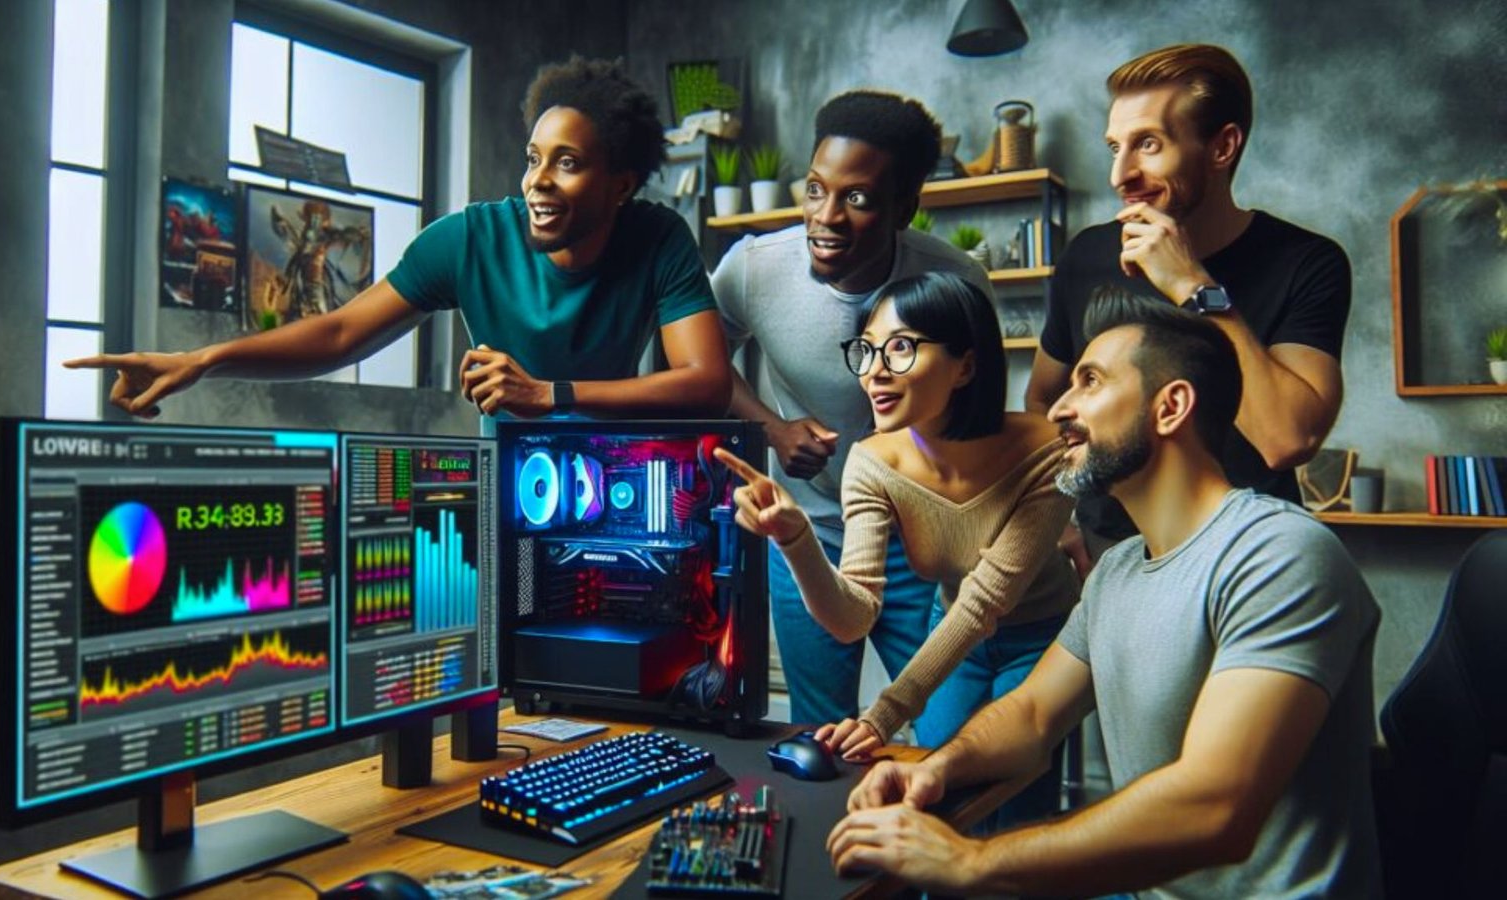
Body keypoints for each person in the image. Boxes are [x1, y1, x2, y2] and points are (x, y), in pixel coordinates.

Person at [830, 292, 1381, 898]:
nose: (1060, 407)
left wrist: (970, 860)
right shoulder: (1115, 572)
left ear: (1170, 407)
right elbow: (1033, 715)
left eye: (1089, 383)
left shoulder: (1278, 556)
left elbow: (1215, 809)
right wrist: (935, 768)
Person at [66, 56, 730, 422]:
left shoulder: (657, 237)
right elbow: (339, 333)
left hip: (623, 481)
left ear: (620, 184)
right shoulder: (468, 240)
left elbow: (705, 382)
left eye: (568, 163)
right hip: (510, 492)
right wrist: (204, 360)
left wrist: (547, 392)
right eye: (533, 158)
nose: (539, 182)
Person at [715, 271, 1078, 829]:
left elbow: (985, 602)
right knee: (935, 799)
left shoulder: (1045, 451)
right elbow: (853, 615)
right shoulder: (871, 461)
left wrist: (885, 713)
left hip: (1042, 638)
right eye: (867, 350)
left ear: (967, 366)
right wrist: (795, 537)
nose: (874, 370)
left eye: (902, 348)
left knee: (1015, 809)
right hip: (953, 630)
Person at [711, 90, 998, 748]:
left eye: (858, 199)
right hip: (808, 536)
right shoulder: (754, 270)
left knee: (951, 734)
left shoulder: (953, 280)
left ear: (905, 208)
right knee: (819, 736)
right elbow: (699, 363)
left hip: (921, 544)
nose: (826, 217)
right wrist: (772, 430)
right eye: (816, 190)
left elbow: (983, 420)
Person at [1024, 43, 1351, 559]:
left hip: (1244, 553)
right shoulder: (1087, 254)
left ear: (1222, 147)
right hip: (1107, 553)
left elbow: (1286, 439)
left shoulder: (1307, 261)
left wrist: (1193, 285)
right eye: (1116, 147)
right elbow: (1044, 402)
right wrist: (1054, 520)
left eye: (1148, 144)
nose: (1120, 176)